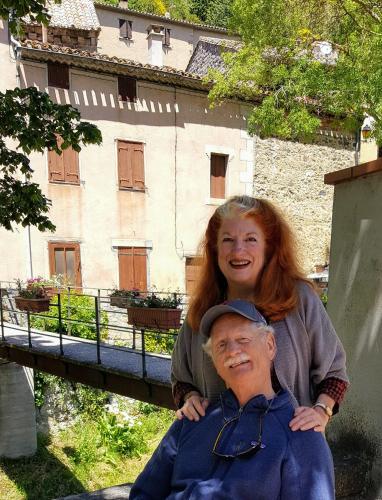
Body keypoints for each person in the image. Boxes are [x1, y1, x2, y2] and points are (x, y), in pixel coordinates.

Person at [172, 195, 348, 432]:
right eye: (228, 240)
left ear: (269, 246)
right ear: (215, 249)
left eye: (250, 239)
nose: (238, 250)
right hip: (221, 454)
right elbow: (181, 380)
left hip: (291, 452)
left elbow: (334, 374)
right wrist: (189, 398)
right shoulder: (203, 310)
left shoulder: (299, 298)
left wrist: (321, 411)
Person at [130, 301, 335, 499]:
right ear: (215, 364)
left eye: (243, 339)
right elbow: (144, 493)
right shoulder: (192, 419)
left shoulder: (300, 434)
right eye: (221, 345)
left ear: (270, 345)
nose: (232, 351)